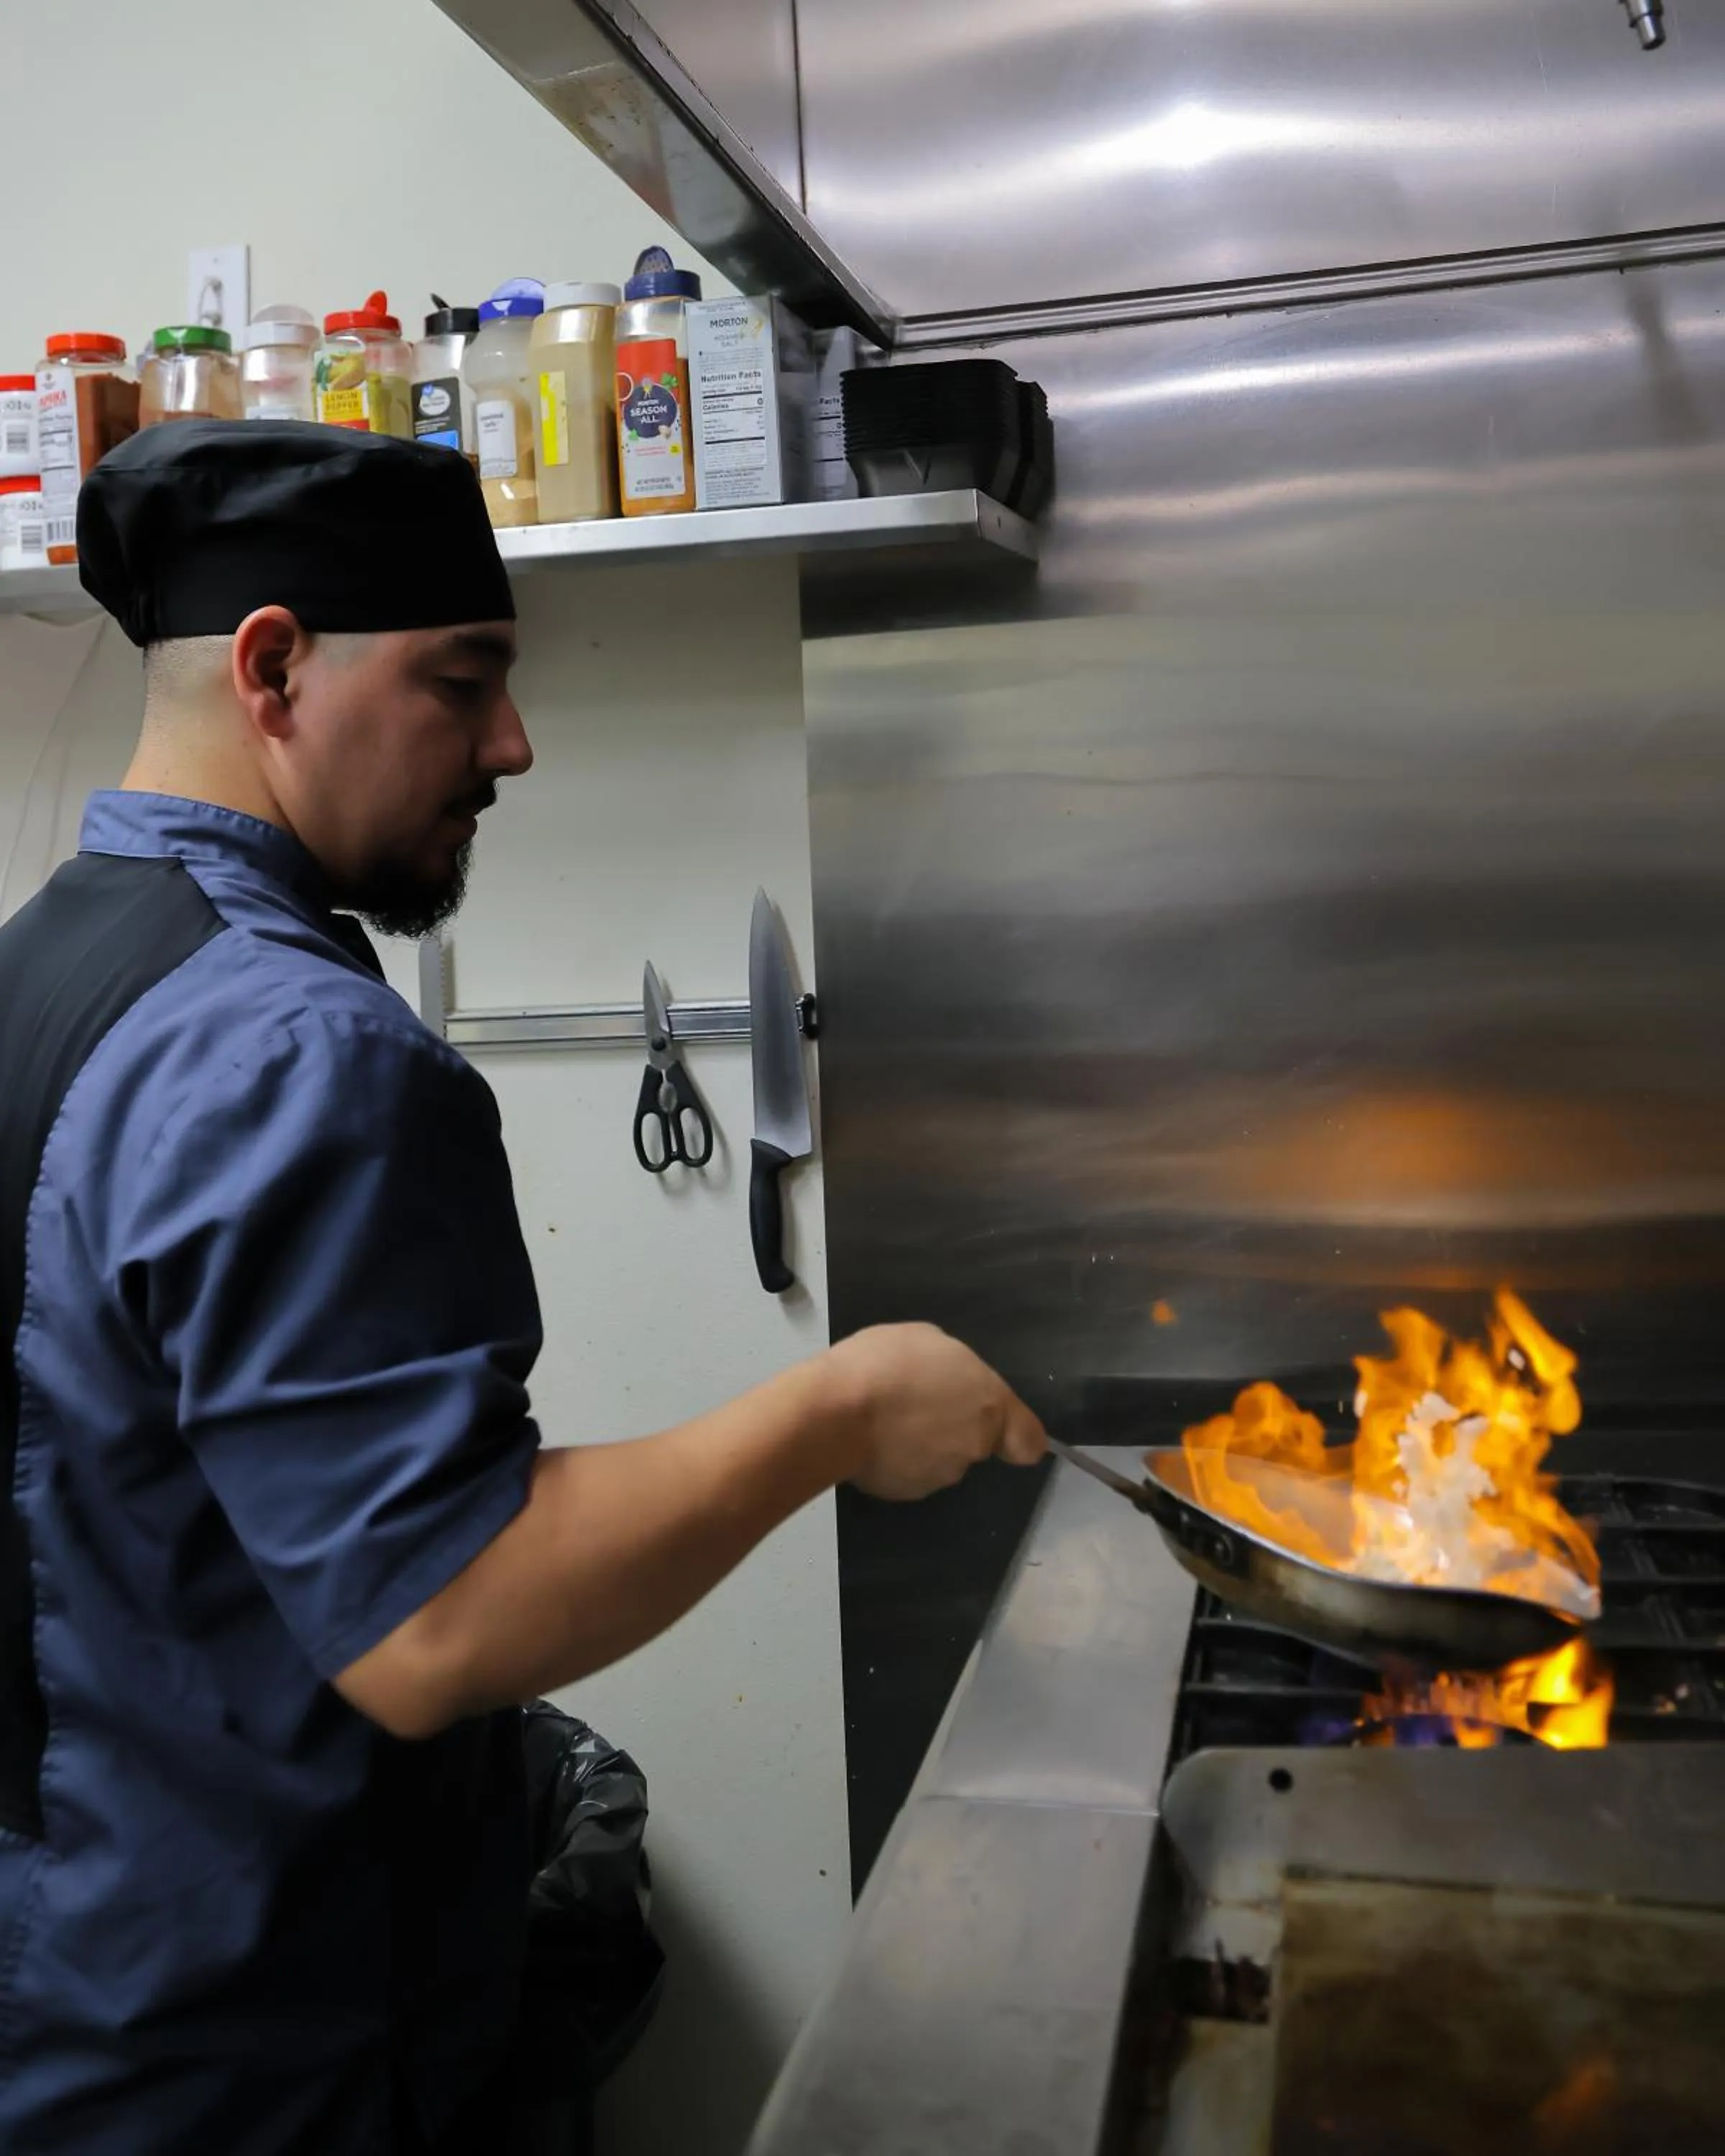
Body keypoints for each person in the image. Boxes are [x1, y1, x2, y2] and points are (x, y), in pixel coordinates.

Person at [0, 421, 1046, 2155]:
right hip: (261, 2056)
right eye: (462, 680)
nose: (513, 743)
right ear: (273, 667)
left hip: (66, 1996)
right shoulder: (301, 1053)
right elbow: (439, 1620)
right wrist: (840, 1408)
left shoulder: (47, 968)